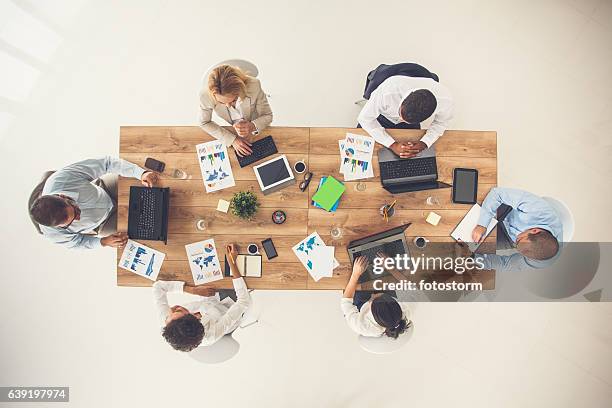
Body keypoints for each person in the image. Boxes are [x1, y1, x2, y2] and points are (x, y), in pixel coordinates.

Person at [29, 156, 158, 249]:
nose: (79, 217)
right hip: (103, 223)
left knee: (156, 187)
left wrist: (140, 173)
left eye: (75, 210)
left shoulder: (61, 178)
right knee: (150, 233)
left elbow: (106, 164)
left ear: (63, 196)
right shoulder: (52, 234)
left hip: (106, 189)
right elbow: (78, 242)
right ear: (58, 227)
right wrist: (103, 242)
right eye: (72, 221)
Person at [153, 244, 251, 352]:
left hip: (209, 297)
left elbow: (158, 287)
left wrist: (192, 290)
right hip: (229, 307)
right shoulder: (211, 335)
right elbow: (243, 301)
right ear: (195, 317)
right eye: (180, 310)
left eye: (170, 314)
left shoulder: (168, 322)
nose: (175, 307)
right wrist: (232, 262)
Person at [358, 75, 453, 158]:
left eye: (406, 120)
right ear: (403, 100)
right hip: (382, 117)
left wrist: (425, 142)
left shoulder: (445, 100)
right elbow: (365, 119)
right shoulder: (387, 91)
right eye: (400, 114)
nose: (401, 120)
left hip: (411, 125)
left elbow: (441, 123)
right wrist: (391, 144)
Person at [470, 187, 563, 271]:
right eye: (519, 240)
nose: (516, 240)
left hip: (507, 237)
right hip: (508, 211)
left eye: (517, 245)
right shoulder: (538, 210)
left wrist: (470, 258)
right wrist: (482, 224)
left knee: (473, 247)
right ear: (535, 231)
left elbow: (504, 264)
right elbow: (497, 193)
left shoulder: (540, 261)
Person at [198, 64, 273, 157]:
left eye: (234, 100)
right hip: (233, 132)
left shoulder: (254, 85)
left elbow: (268, 115)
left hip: (257, 128)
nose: (228, 106)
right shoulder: (205, 96)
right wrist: (232, 140)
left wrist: (252, 126)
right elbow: (204, 122)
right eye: (221, 102)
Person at [341, 256, 411, 338]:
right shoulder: (406, 308)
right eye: (383, 295)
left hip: (362, 303)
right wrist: (391, 268)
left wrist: (355, 274)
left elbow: (345, 301)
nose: (375, 294)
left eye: (374, 297)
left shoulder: (362, 326)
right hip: (385, 293)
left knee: (351, 275)